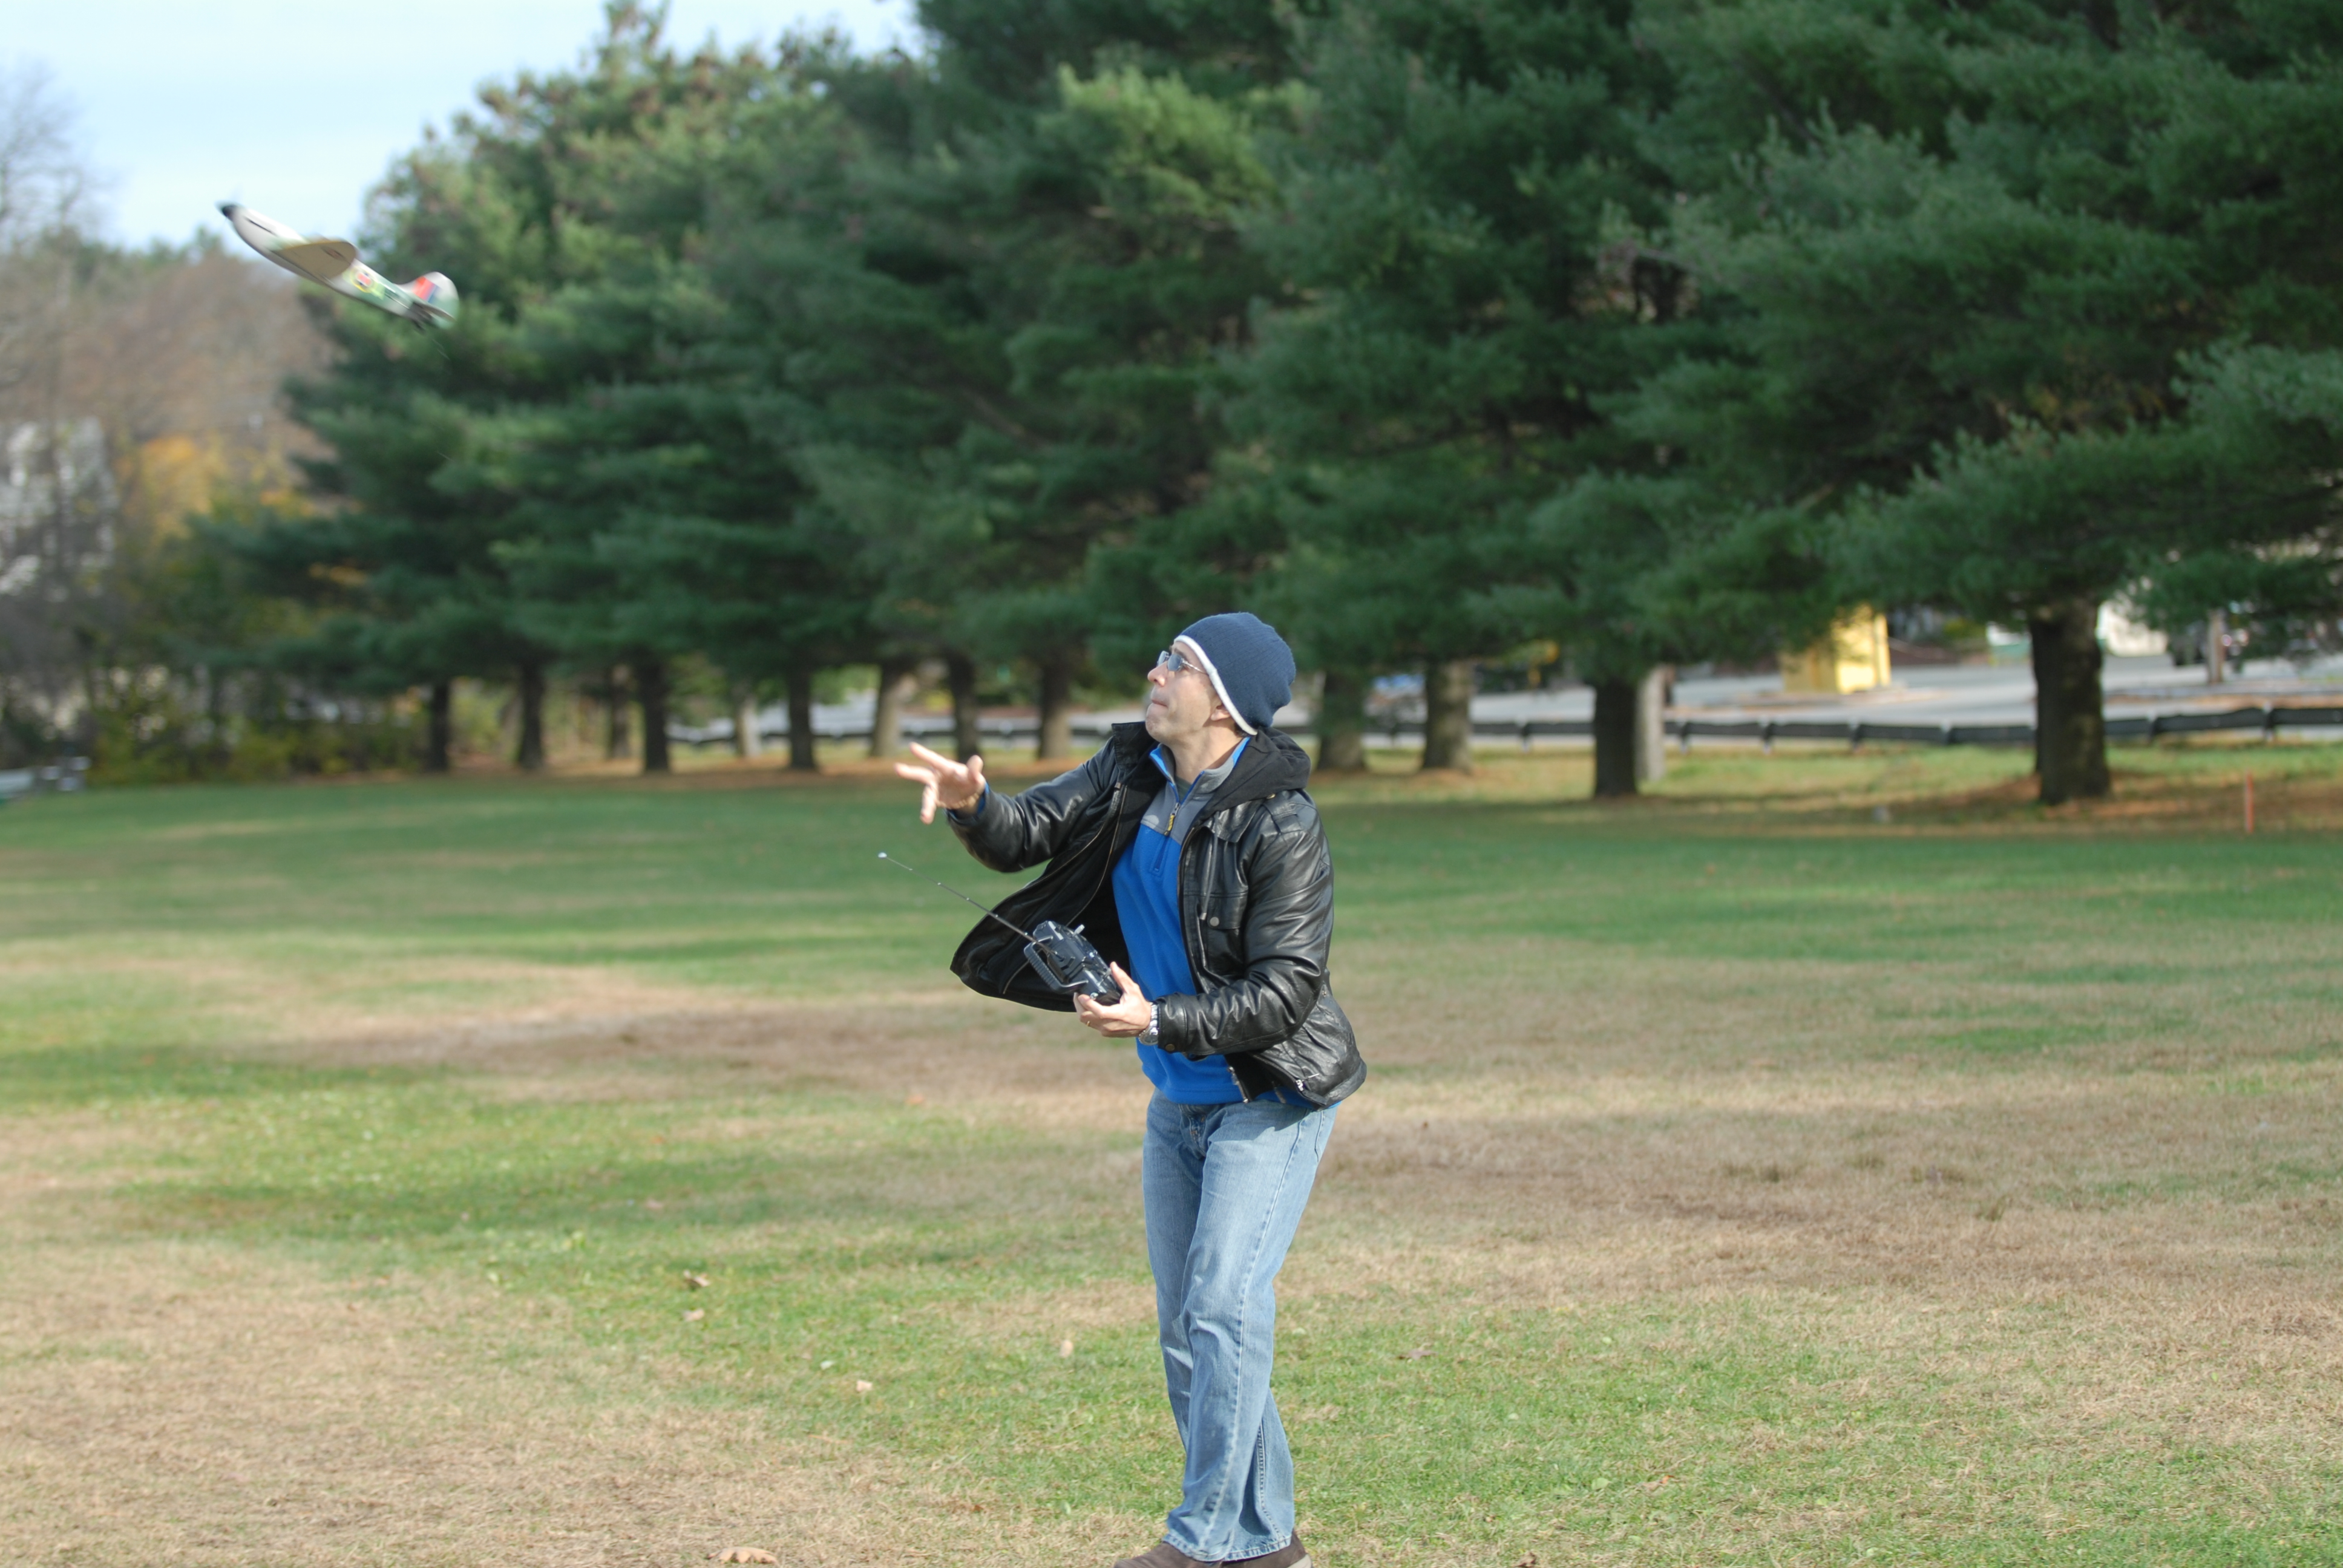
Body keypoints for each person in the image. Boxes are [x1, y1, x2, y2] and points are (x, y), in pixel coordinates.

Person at [897, 612, 1366, 1568]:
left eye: (1178, 664)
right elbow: (1027, 832)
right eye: (1163, 658)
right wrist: (973, 804)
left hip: (1269, 1096)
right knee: (1190, 1327)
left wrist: (1156, 1019)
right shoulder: (1131, 771)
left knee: (1223, 1306)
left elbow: (1286, 992)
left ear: (1224, 702)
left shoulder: (1281, 822)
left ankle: (1202, 1543)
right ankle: (1266, 1544)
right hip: (1178, 1099)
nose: (1155, 674)